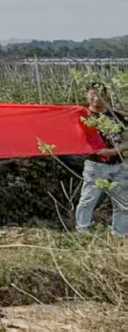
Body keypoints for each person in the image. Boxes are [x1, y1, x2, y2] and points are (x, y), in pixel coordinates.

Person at [75, 83, 127, 236]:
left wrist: (113, 151)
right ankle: (83, 231)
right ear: (86, 95)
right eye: (92, 94)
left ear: (106, 96)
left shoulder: (116, 117)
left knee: (123, 202)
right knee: (88, 199)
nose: (96, 98)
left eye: (99, 94)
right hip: (95, 166)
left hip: (118, 165)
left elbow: (126, 141)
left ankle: (120, 234)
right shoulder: (83, 116)